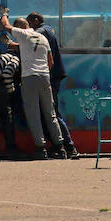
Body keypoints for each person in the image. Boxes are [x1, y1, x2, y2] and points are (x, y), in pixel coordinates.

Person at [0, 11, 66, 159]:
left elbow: (5, 25)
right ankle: (60, 147)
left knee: (33, 113)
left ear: (20, 28)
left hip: (29, 77)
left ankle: (41, 148)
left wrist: (3, 13)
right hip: (45, 77)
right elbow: (50, 61)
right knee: (50, 113)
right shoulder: (42, 37)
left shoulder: (23, 34)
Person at [26, 11, 78, 158]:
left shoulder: (41, 32)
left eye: (29, 23)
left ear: (36, 20)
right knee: (50, 112)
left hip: (51, 76)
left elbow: (31, 40)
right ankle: (59, 146)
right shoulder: (48, 30)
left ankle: (69, 146)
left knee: (52, 112)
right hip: (53, 75)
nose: (29, 27)